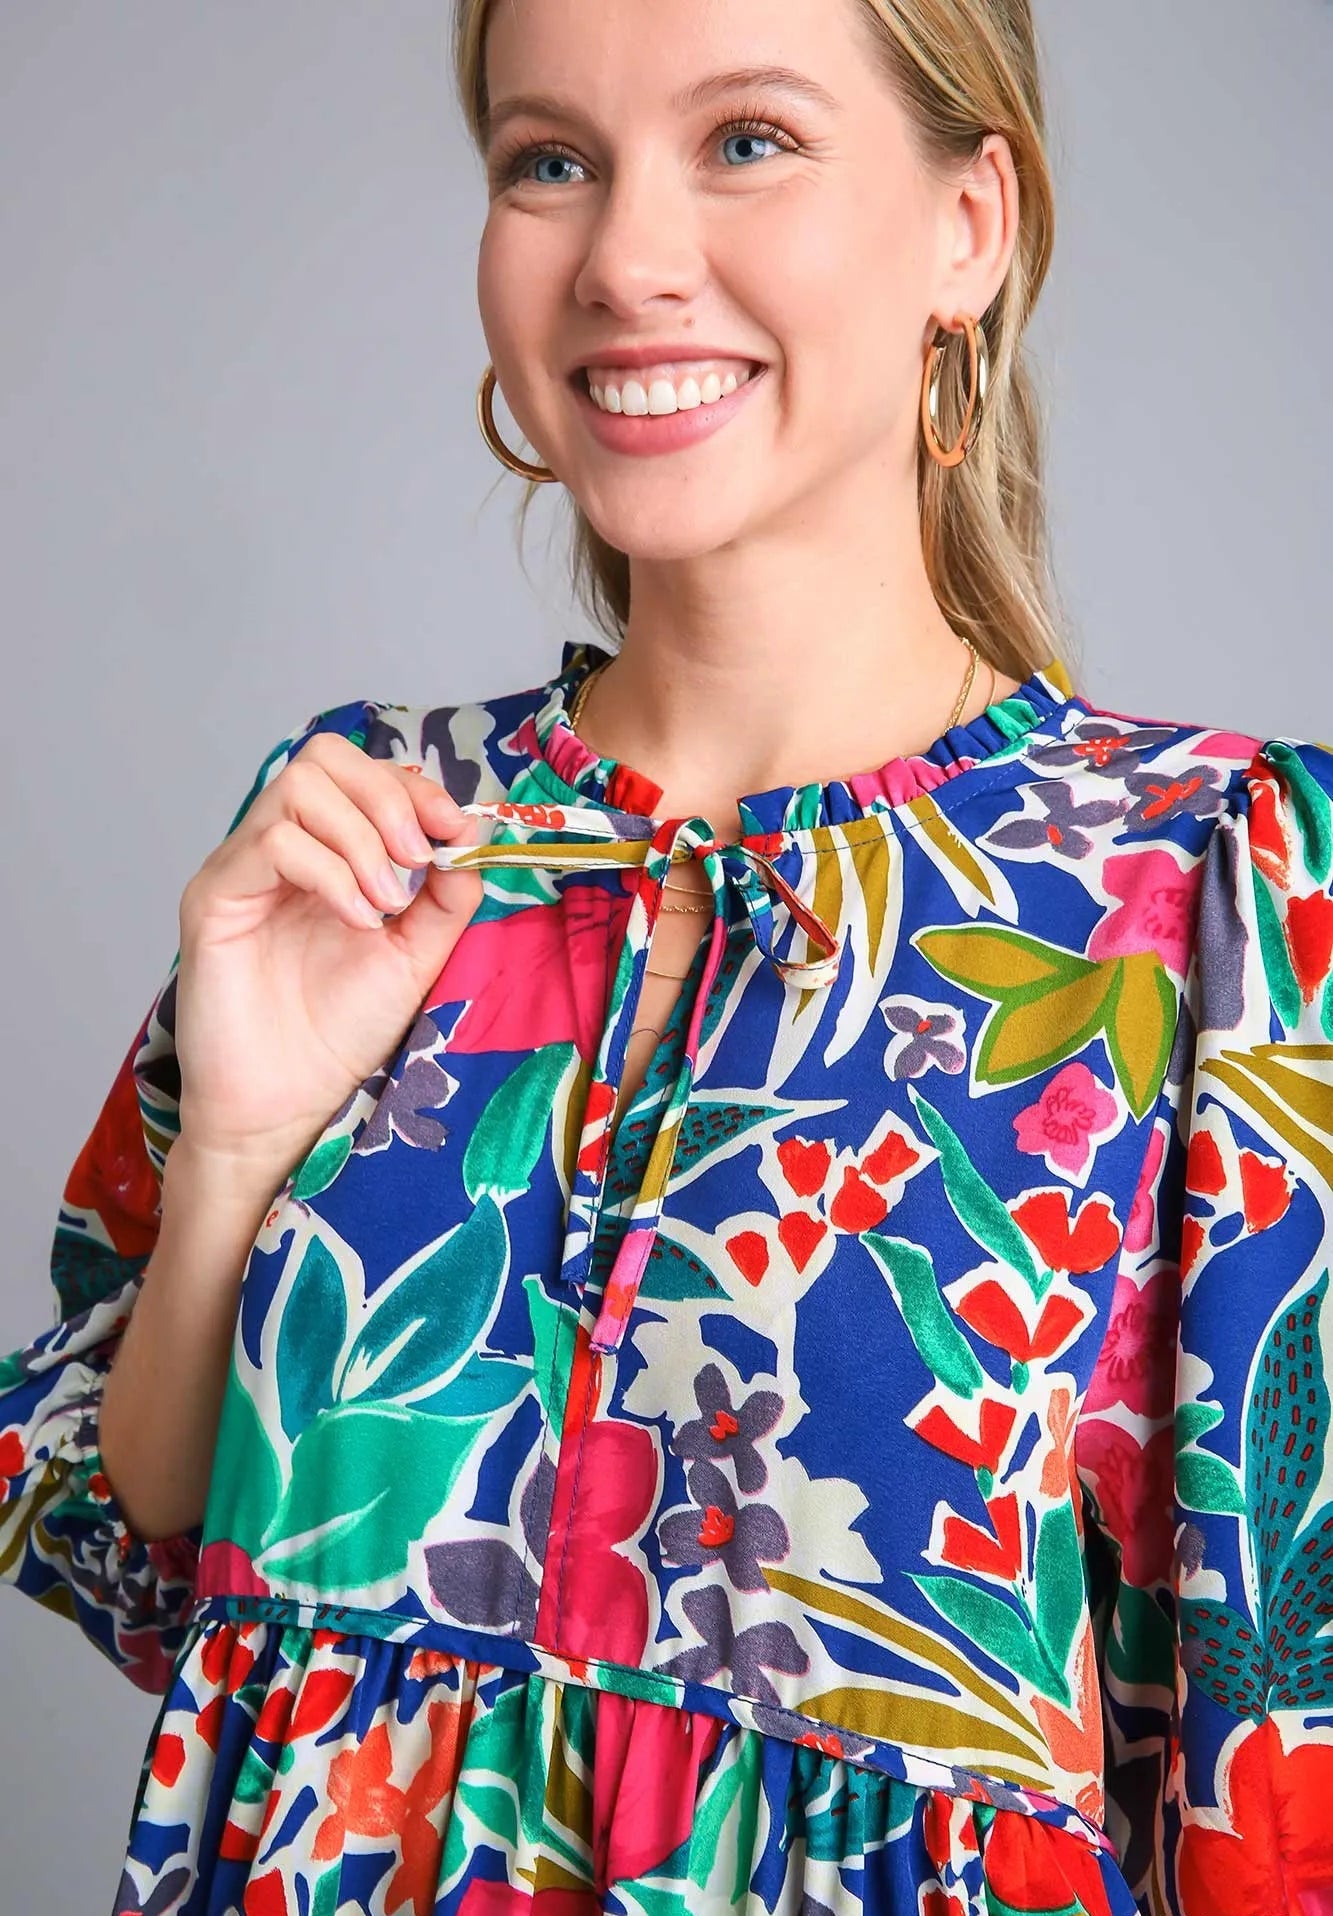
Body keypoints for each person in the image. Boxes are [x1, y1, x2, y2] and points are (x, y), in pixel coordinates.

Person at [4, 0, 1331, 1910]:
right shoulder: (369, 829)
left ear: (971, 224)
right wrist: (229, 1159)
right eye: (550, 159)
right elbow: (151, 1575)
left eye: (746, 140)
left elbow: (1276, 1787)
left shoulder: (1219, 900)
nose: (624, 259)